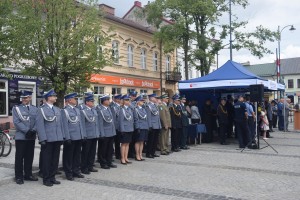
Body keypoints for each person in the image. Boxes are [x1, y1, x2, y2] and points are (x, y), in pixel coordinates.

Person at [36, 89, 64, 187]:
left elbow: (60, 124)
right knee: (47, 160)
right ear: (49, 97)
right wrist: (42, 138)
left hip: (57, 138)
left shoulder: (57, 109)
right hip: (48, 139)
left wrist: (61, 137)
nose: (56, 97)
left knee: (55, 159)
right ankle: (46, 178)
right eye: (54, 96)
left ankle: (52, 177)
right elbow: (40, 125)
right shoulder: (41, 110)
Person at [13, 90, 38, 184]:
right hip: (21, 137)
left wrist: (33, 130)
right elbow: (16, 122)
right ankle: (18, 176)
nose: (24, 99)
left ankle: (28, 174)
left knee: (29, 156)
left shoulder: (35, 109)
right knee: (19, 157)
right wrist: (27, 131)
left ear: (30, 98)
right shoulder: (16, 108)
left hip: (31, 137)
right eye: (23, 98)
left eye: (26, 97)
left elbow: (37, 121)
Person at [62, 93, 86, 180]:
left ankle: (76, 171)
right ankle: (68, 172)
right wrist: (67, 137)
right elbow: (65, 125)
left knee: (77, 155)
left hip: (78, 136)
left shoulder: (77, 110)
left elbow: (80, 124)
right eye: (74, 99)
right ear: (69, 100)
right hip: (71, 137)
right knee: (68, 156)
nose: (76, 100)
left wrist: (82, 135)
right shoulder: (64, 111)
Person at [79, 93, 99, 174]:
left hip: (94, 134)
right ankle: (84, 167)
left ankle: (90, 166)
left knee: (92, 152)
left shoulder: (93, 110)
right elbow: (82, 125)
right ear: (87, 102)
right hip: (87, 135)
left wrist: (97, 133)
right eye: (91, 101)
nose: (93, 103)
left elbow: (96, 123)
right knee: (85, 152)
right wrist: (83, 135)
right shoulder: (83, 111)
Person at [97, 95, 117, 169]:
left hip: (111, 132)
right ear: (104, 101)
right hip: (105, 133)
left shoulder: (109, 108)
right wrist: (101, 134)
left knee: (110, 149)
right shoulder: (100, 110)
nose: (109, 101)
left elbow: (111, 121)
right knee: (103, 149)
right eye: (108, 100)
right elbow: (100, 123)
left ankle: (109, 161)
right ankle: (103, 163)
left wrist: (113, 131)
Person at [118, 94, 134, 165]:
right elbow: (120, 121)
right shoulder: (122, 109)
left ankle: (126, 157)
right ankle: (122, 158)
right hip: (124, 129)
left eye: (128, 100)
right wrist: (122, 130)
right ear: (123, 101)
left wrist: (130, 105)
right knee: (124, 144)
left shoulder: (130, 108)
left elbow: (134, 108)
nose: (128, 101)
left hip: (130, 128)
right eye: (126, 100)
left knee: (128, 144)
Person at [145, 93, 162, 158]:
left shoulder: (155, 105)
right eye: (155, 98)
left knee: (155, 140)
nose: (157, 99)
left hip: (157, 125)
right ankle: (148, 153)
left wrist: (159, 125)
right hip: (152, 126)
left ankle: (153, 152)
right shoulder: (148, 106)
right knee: (150, 140)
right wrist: (150, 126)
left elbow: (157, 117)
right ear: (151, 98)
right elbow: (148, 117)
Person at [133, 95, 149, 161]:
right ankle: (137, 155)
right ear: (138, 102)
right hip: (139, 127)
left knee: (142, 142)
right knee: (138, 141)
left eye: (143, 101)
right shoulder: (135, 110)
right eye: (141, 101)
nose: (143, 102)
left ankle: (140, 154)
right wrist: (137, 128)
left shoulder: (143, 109)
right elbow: (136, 119)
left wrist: (147, 126)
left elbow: (146, 119)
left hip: (144, 127)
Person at [110, 94, 122, 160]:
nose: (119, 100)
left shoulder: (119, 106)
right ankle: (111, 154)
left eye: (120, 99)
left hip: (118, 127)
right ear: (115, 99)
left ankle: (118, 155)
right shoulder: (111, 105)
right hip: (114, 126)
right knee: (111, 142)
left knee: (118, 142)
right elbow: (113, 118)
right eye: (118, 99)